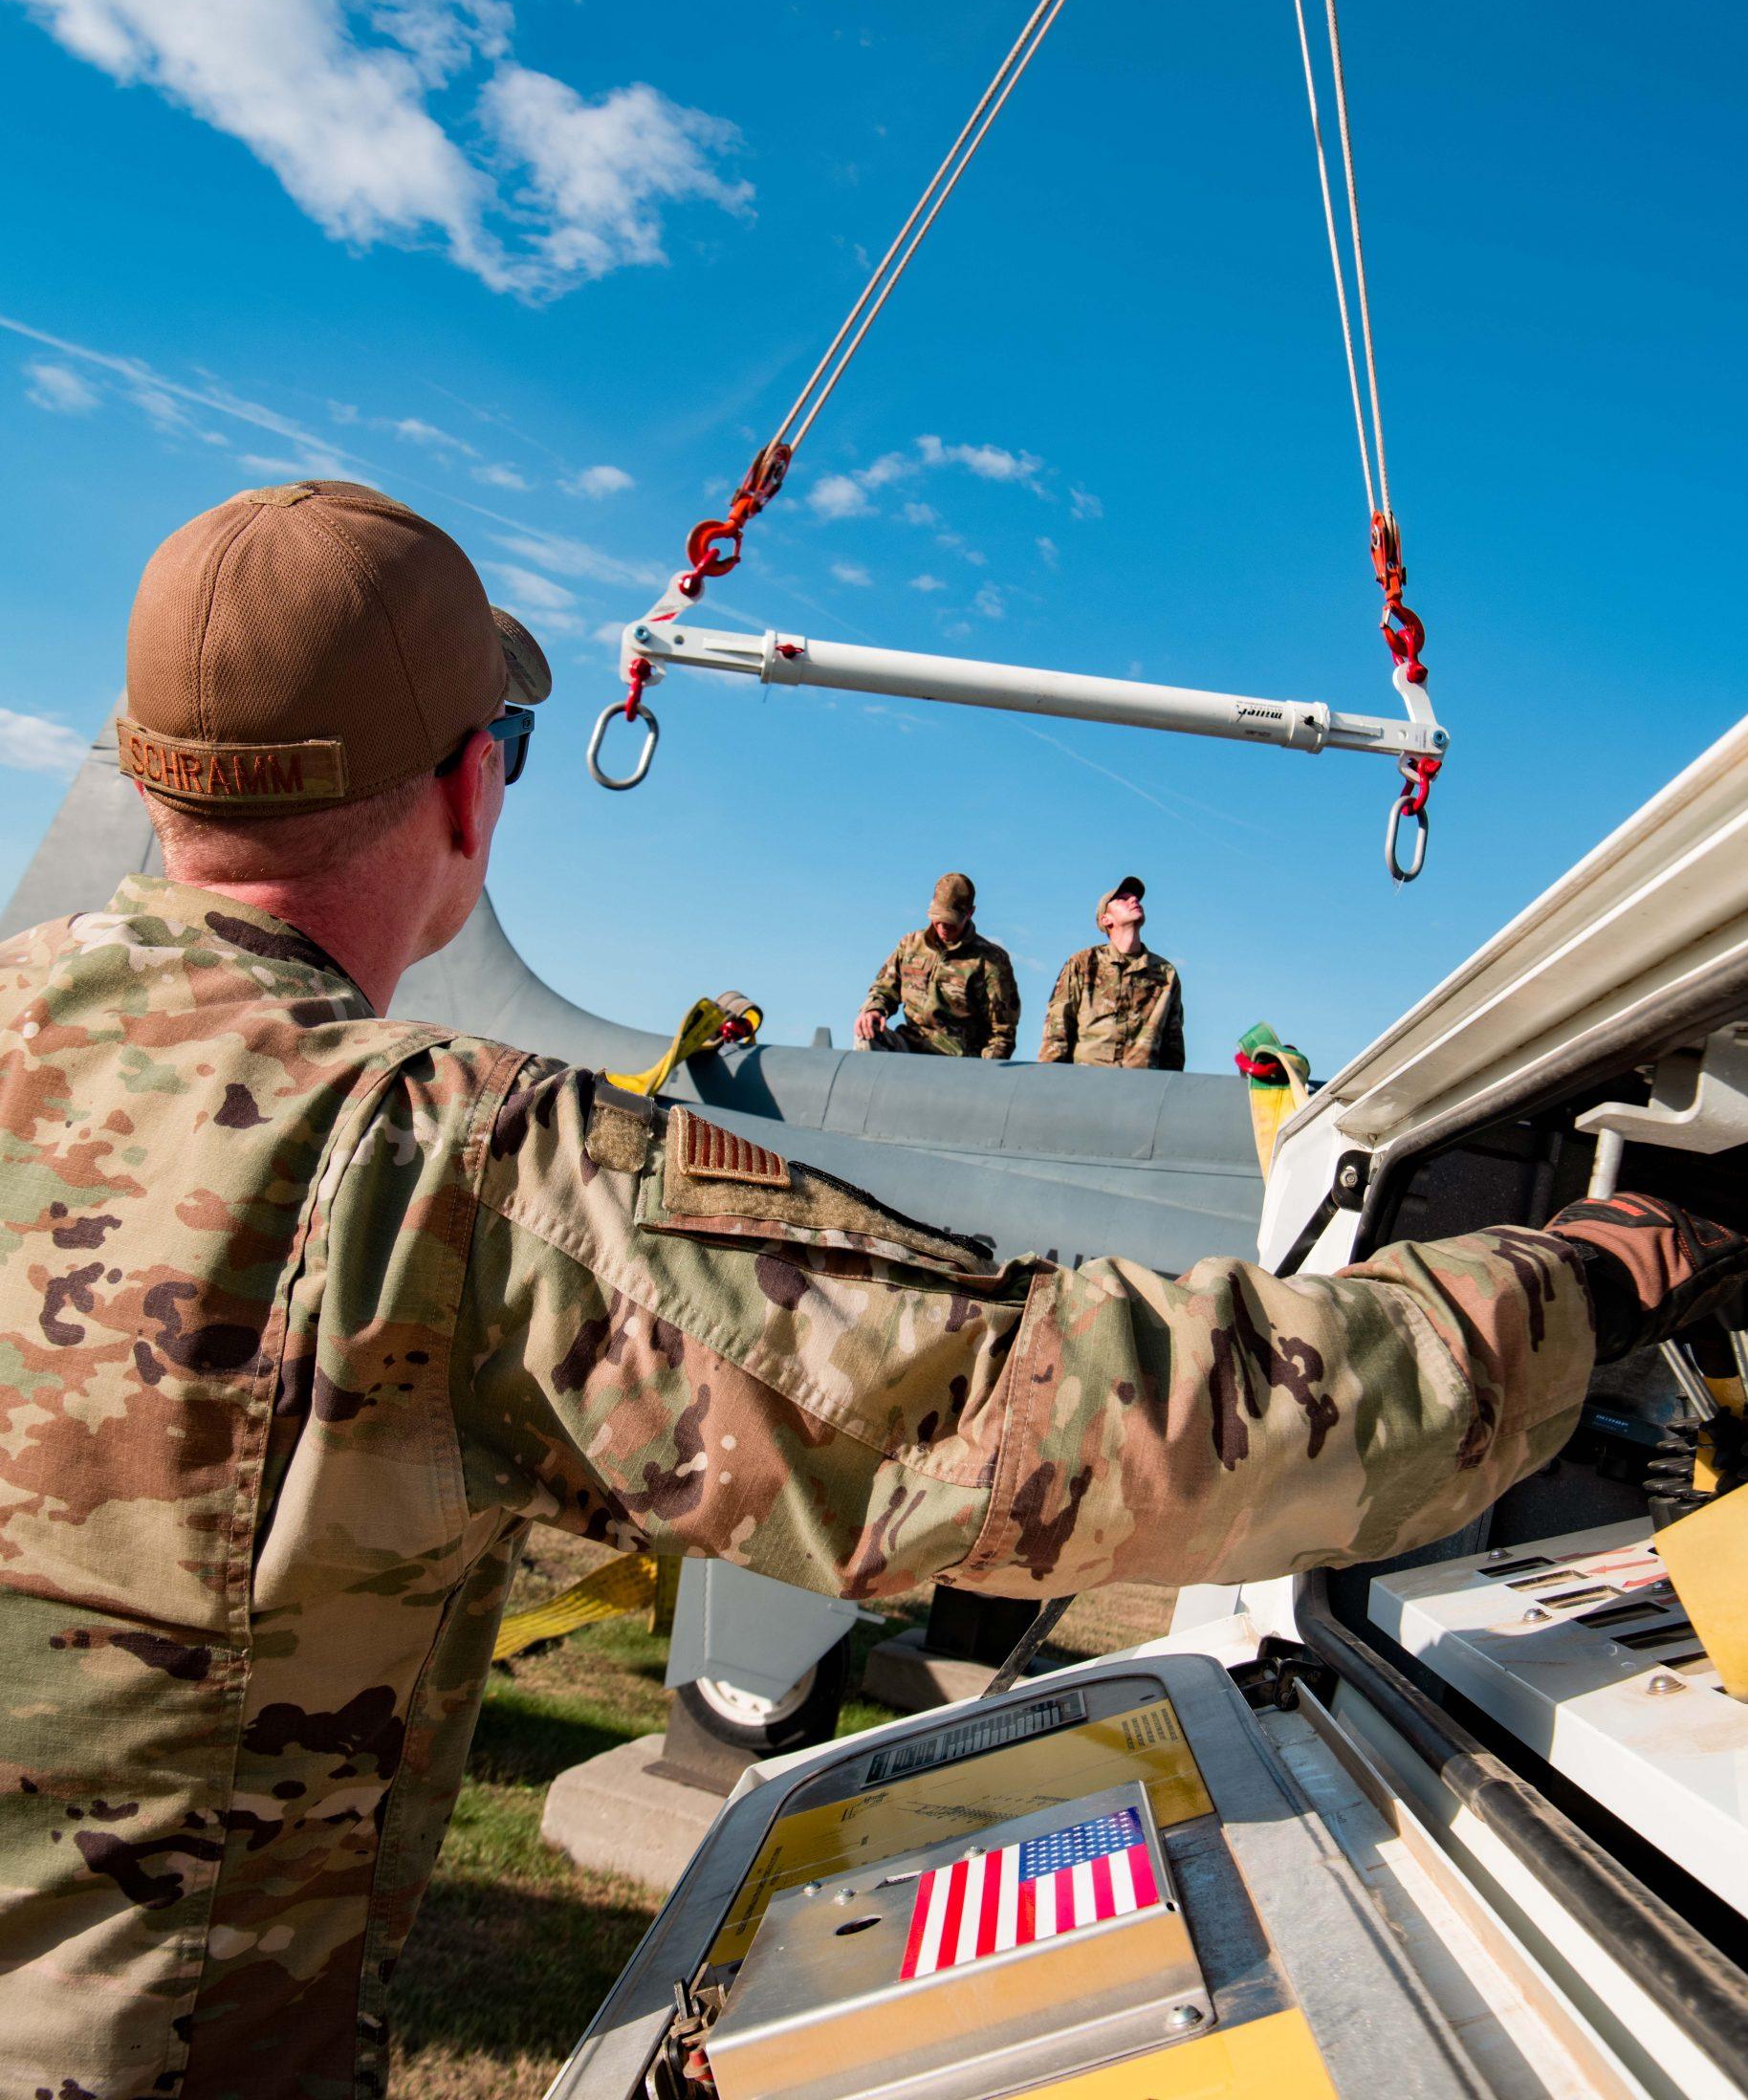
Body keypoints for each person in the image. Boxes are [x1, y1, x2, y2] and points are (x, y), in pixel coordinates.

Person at [3, 479, 1743, 2100]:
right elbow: (1031, 1427)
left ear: (158, 780)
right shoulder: (448, 1170)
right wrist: (1592, 1270)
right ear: (474, 788)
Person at [852, 870, 1019, 1059]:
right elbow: (883, 990)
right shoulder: (910, 945)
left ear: (970, 913)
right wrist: (873, 1010)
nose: (943, 926)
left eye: (951, 920)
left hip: (957, 1061)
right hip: (910, 1045)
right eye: (938, 918)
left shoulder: (991, 961)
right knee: (866, 1034)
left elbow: (1002, 1033)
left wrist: (983, 1075)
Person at [1038, 875, 1184, 1069]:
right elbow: (1057, 1033)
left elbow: (1173, 1046)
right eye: (1123, 898)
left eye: (1135, 898)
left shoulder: (1165, 974)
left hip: (1143, 1091)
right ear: (1105, 919)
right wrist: (1048, 1087)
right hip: (1084, 1086)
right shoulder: (1082, 964)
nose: (1134, 900)